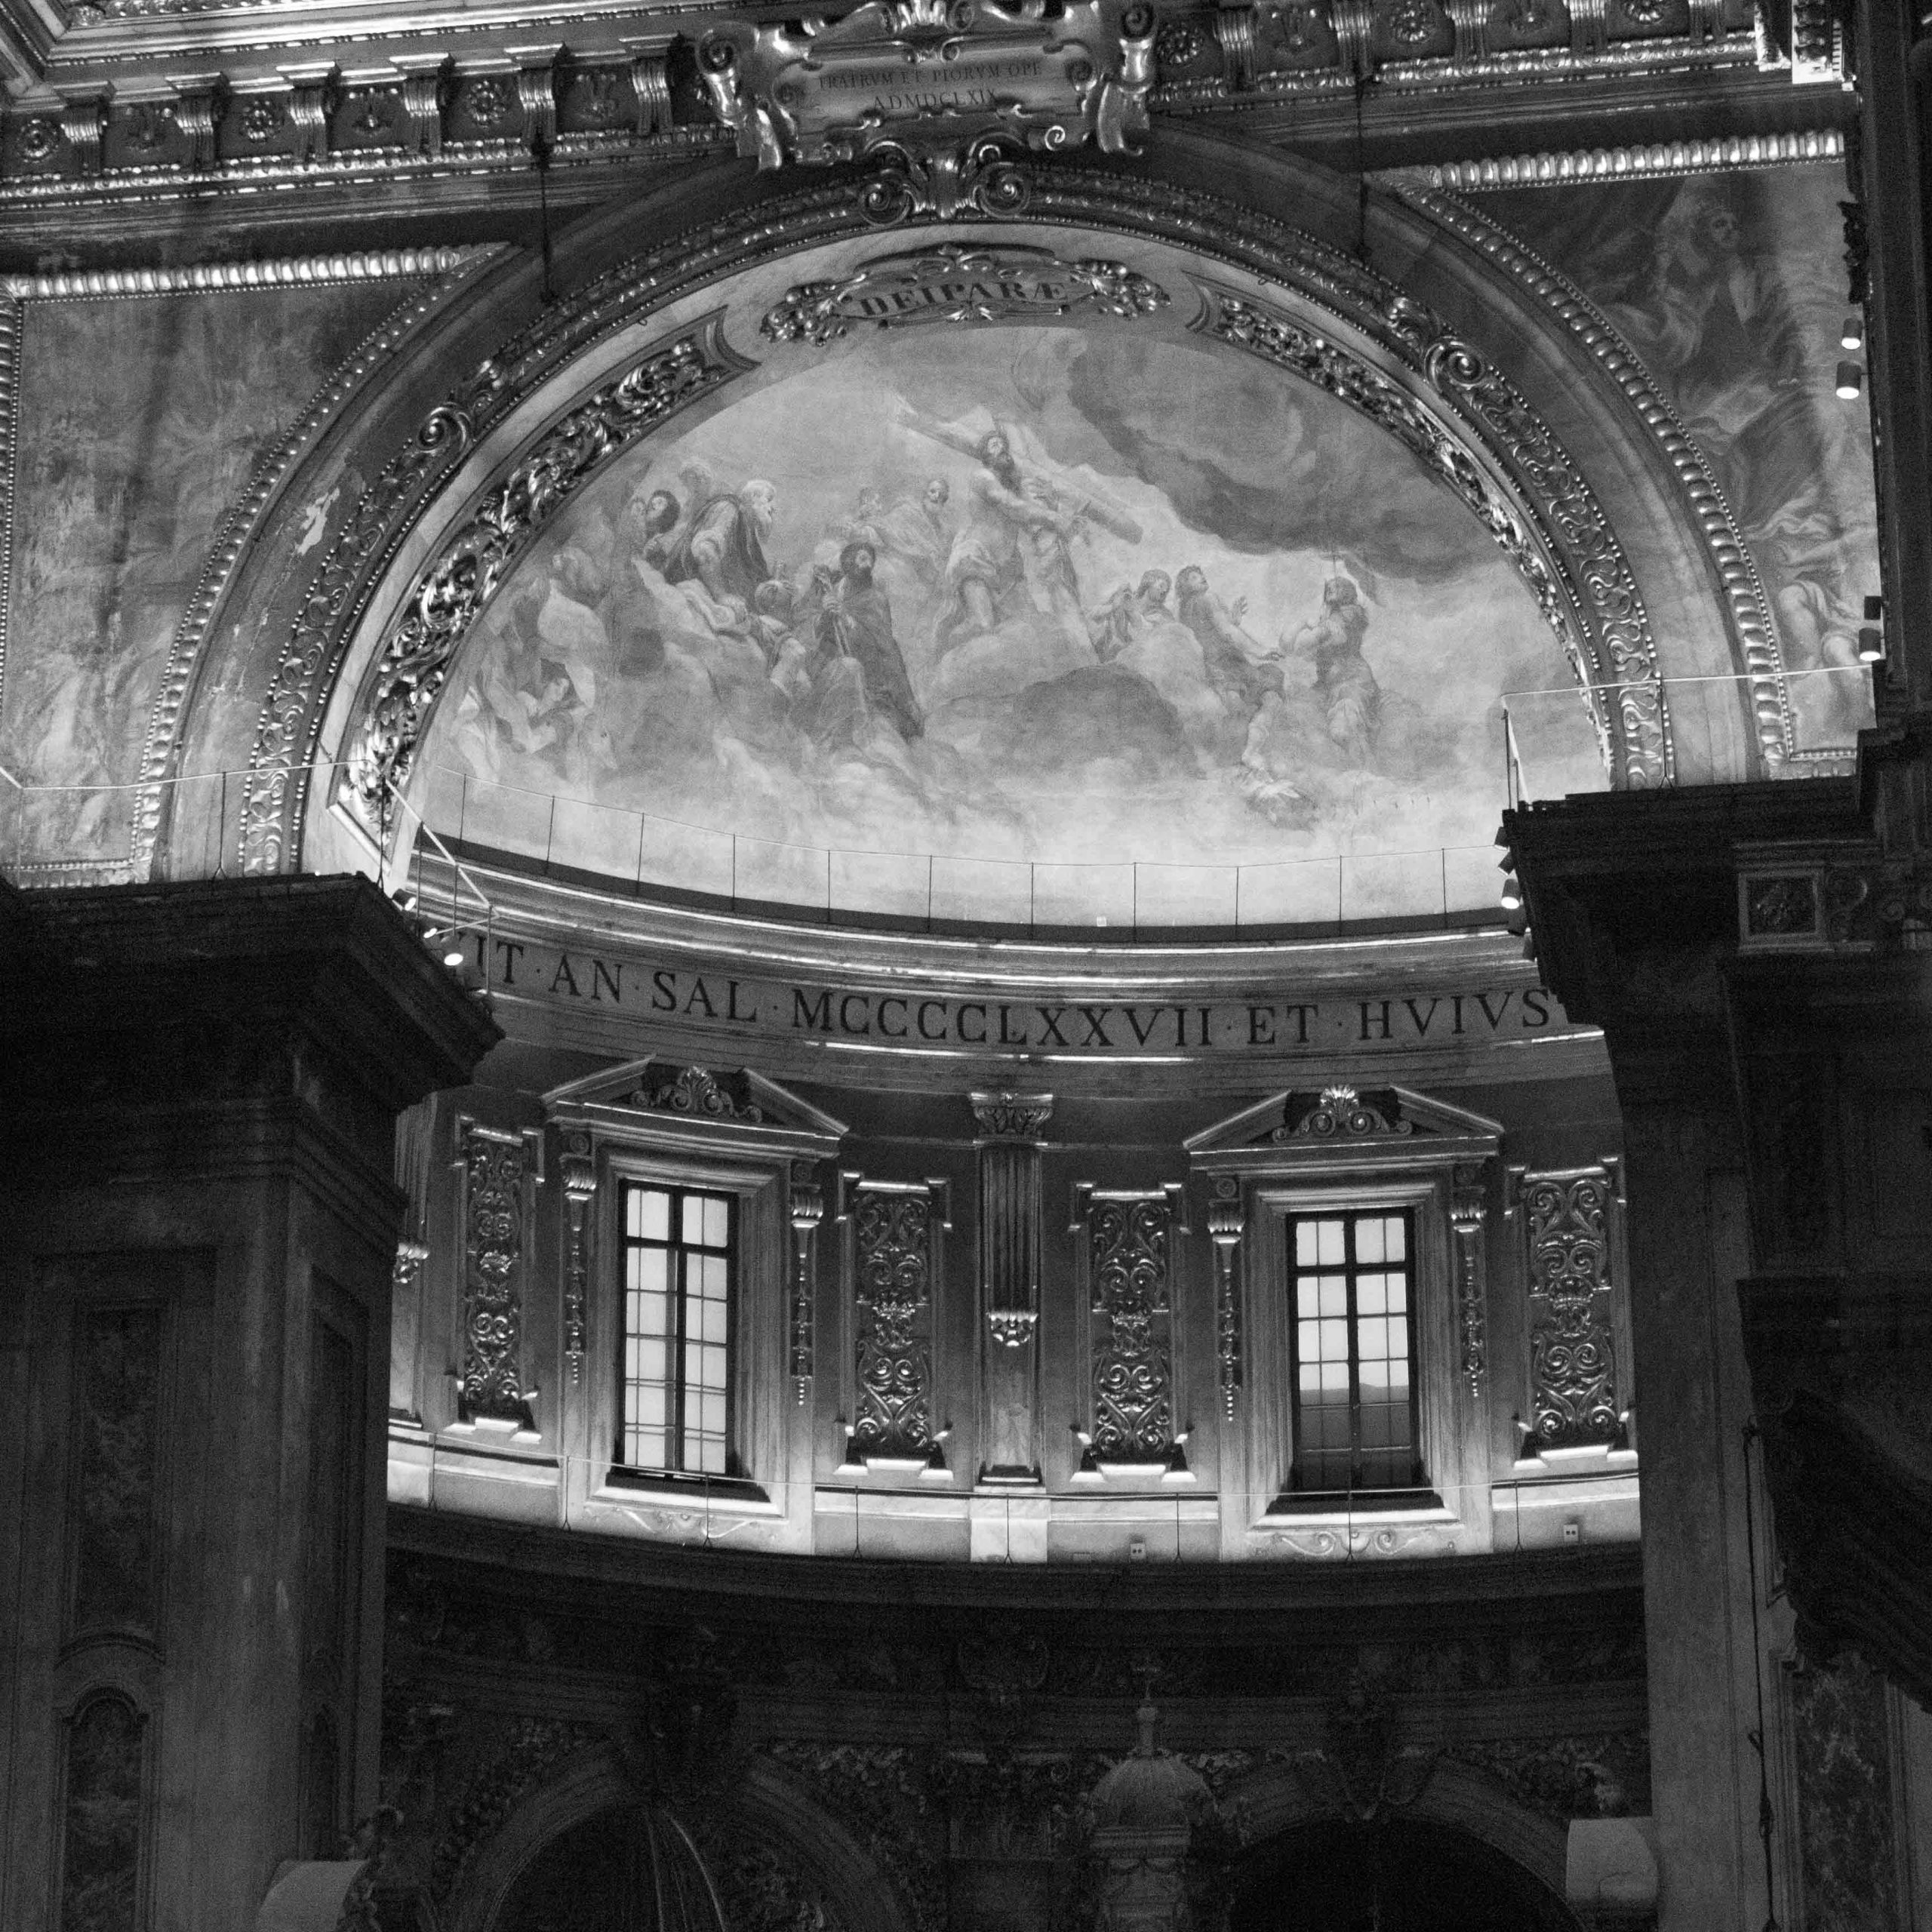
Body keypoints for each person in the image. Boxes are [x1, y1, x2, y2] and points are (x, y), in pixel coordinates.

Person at [933, 430, 1078, 651]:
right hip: (976, 559)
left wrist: (1055, 507)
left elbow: (1032, 515)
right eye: (993, 445)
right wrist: (1054, 518)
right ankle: (945, 647)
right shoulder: (982, 477)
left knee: (1033, 625)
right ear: (985, 456)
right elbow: (1012, 507)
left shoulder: (1015, 488)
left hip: (1009, 570)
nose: (1001, 448)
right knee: (983, 625)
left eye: (1003, 444)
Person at [816, 540, 924, 740]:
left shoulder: (876, 599)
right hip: (831, 662)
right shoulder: (833, 589)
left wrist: (847, 619)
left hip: (871, 671)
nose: (868, 566)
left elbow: (882, 645)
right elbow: (813, 630)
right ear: (848, 562)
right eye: (863, 559)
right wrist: (825, 615)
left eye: (871, 561)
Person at [1281, 575, 1380, 764]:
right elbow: (1290, 648)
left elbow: (1297, 646)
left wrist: (1308, 625)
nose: (1331, 588)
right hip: (1327, 686)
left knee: (1343, 729)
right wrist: (1307, 623)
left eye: (1338, 586)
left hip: (1352, 683)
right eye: (1329, 586)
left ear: (1348, 592)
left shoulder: (1347, 615)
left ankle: (1363, 769)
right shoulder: (1330, 620)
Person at [1175, 565, 1285, 721]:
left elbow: (1211, 630)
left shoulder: (1183, 608)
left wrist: (1234, 620)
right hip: (1228, 661)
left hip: (1208, 666)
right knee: (1269, 693)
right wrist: (1260, 651)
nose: (1201, 577)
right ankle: (1258, 730)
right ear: (1185, 586)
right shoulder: (1208, 598)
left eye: (1201, 574)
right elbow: (1227, 631)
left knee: (1234, 706)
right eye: (1194, 578)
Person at [662, 478, 778, 611]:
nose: (772, 508)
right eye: (768, 500)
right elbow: (704, 550)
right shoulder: (729, 509)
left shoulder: (749, 533)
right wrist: (721, 595)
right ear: (754, 497)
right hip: (686, 587)